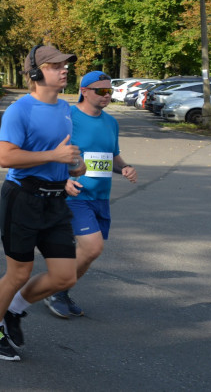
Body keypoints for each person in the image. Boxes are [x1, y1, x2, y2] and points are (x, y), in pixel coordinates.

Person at [0, 44, 85, 362]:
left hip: (55, 200)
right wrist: (54, 155)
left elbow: (65, 154)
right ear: (37, 73)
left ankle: (14, 309)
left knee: (65, 276)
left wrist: (73, 166)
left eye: (65, 65)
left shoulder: (65, 108)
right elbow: (5, 157)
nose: (64, 69)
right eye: (56, 66)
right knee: (19, 273)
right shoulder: (19, 110)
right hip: (22, 199)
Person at [44, 70, 138, 318]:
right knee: (92, 248)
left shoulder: (111, 122)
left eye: (110, 91)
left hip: (100, 197)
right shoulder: (68, 117)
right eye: (101, 91)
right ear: (84, 91)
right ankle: (54, 289)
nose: (107, 95)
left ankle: (60, 290)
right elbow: (49, 153)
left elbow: (111, 156)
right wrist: (62, 179)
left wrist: (125, 167)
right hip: (75, 197)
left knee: (87, 254)